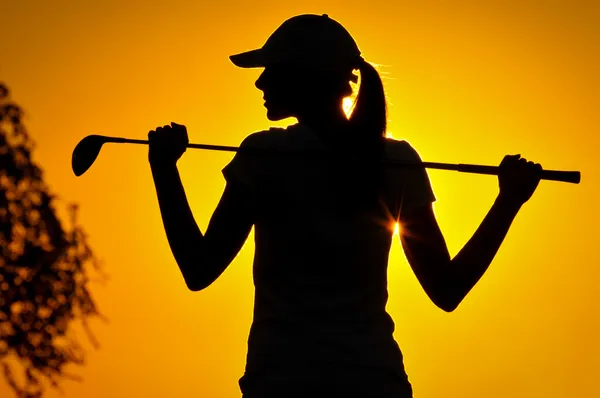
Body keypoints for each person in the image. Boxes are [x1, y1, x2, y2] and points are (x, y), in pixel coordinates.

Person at [147, 14, 542, 398]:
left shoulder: (264, 154)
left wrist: (164, 170)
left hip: (281, 381)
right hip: (373, 379)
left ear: (306, 77)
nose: (260, 81)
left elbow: (198, 269)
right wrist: (508, 201)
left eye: (275, 70)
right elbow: (447, 288)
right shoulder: (395, 161)